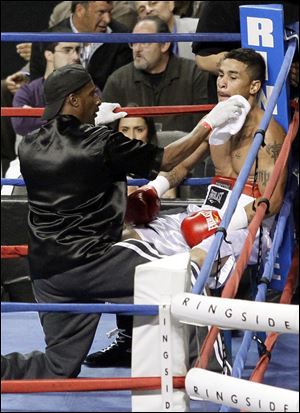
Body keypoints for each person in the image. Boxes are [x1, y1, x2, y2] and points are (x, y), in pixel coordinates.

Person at [1, 63, 248, 379]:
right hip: (94, 260)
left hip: (49, 273)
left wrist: (91, 128)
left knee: (57, 366)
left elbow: (71, 155)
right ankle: (213, 375)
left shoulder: (31, 144)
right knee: (186, 275)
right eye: (92, 94)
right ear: (73, 100)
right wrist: (209, 124)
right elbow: (167, 159)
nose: (98, 100)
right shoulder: (100, 143)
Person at [85, 48, 287, 368]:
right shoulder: (219, 119)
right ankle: (128, 339)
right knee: (127, 240)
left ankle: (202, 352)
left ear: (254, 86)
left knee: (194, 261)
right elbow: (181, 167)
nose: (222, 82)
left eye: (233, 77)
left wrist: (226, 223)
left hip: (245, 223)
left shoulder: (268, 134)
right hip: (207, 210)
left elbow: (271, 203)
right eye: (220, 74)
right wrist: (154, 190)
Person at [103, 16, 211, 133]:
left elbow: (204, 130)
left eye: (144, 42)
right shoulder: (117, 81)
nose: (137, 49)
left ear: (164, 44)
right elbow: (104, 133)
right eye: (133, 42)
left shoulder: (195, 75)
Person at [192, 1, 298, 101]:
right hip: (235, 108)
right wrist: (273, 72)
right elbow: (204, 59)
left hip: (292, 103)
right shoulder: (222, 4)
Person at [29, 1, 132, 91]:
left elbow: (121, 84)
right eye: (101, 12)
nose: (108, 19)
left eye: (109, 12)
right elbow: (37, 86)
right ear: (80, 10)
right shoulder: (44, 40)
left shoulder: (122, 38)